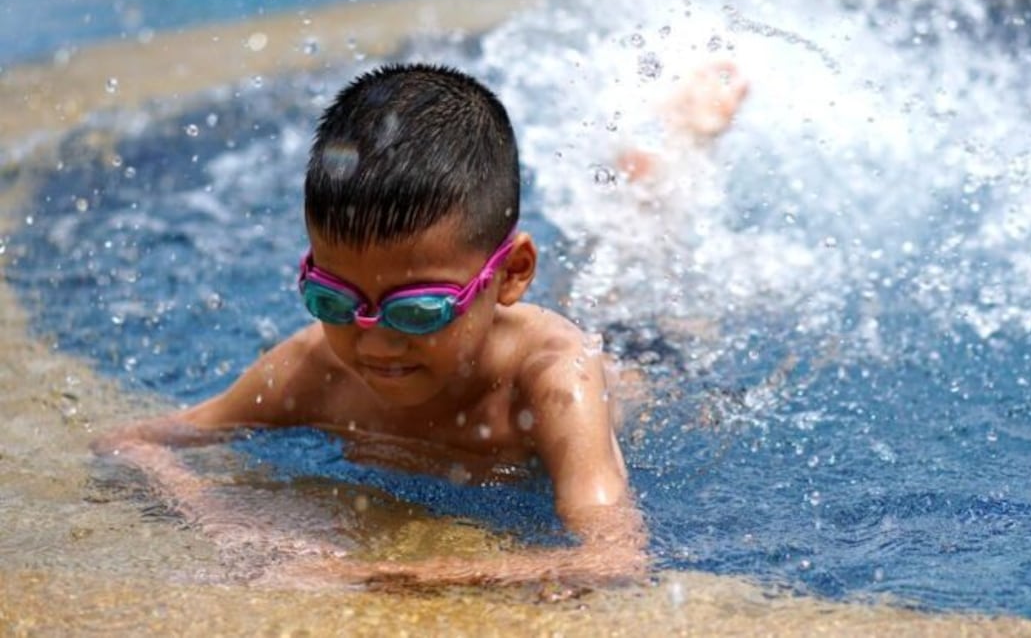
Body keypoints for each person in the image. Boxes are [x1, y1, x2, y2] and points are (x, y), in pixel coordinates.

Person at [92, 63, 645, 589]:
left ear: (512, 274)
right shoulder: (315, 368)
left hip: (639, 365)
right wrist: (224, 518)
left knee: (624, 304)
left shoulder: (553, 380)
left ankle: (648, 181)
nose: (375, 342)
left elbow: (612, 557)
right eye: (333, 300)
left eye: (417, 310)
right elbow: (131, 443)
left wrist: (375, 574)